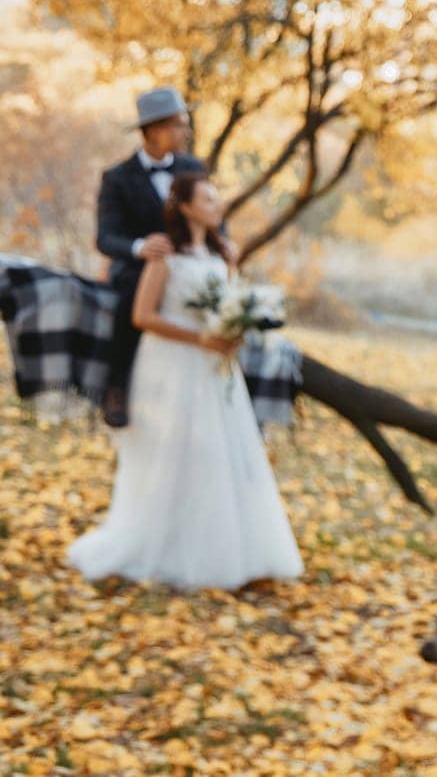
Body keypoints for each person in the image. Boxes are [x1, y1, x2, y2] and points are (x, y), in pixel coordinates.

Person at [67, 173, 303, 592]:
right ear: (186, 206)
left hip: (213, 371)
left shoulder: (222, 253)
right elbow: (143, 315)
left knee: (219, 453)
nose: (217, 206)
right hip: (170, 365)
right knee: (170, 455)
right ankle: (160, 548)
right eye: (208, 200)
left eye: (217, 199)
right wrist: (200, 339)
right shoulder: (165, 253)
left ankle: (227, 552)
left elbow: (228, 305)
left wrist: (234, 329)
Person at [95, 86, 213, 429]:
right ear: (155, 129)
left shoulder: (193, 167)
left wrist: (225, 242)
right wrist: (139, 247)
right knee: (133, 292)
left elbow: (212, 212)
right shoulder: (117, 178)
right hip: (138, 267)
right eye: (179, 124)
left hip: (190, 262)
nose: (186, 131)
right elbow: (105, 237)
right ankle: (117, 386)